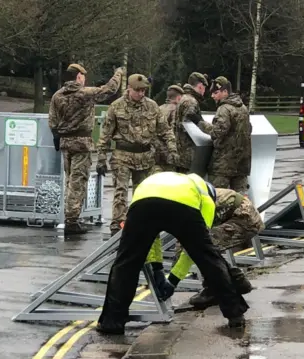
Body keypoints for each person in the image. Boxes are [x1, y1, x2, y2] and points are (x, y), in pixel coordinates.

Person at [96, 172, 249, 335]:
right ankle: (235, 315)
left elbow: (151, 237)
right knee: (209, 259)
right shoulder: (206, 198)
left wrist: (158, 269)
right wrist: (174, 279)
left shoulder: (172, 179)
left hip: (142, 201)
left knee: (126, 263)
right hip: (182, 206)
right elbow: (194, 251)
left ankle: (112, 322)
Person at [96, 74, 178, 237]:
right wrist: (101, 158)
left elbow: (165, 130)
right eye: (138, 90)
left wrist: (172, 149)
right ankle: (117, 226)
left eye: (144, 91)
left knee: (142, 194)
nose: (141, 94)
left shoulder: (152, 106)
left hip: (145, 156)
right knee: (121, 191)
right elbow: (105, 134)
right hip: (122, 155)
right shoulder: (116, 107)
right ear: (129, 89)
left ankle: (139, 224)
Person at [157, 187, 264, 309]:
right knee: (200, 246)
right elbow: (181, 242)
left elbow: (193, 245)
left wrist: (172, 281)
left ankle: (225, 286)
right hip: (236, 215)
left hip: (245, 219)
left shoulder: (188, 207)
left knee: (203, 247)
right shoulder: (176, 202)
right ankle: (235, 281)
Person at [49, 64, 124, 235]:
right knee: (78, 181)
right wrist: (118, 73)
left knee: (69, 180)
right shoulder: (85, 93)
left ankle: (70, 216)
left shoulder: (57, 96)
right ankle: (72, 220)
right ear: (79, 77)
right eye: (83, 75)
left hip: (65, 142)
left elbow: (52, 121)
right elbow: (110, 89)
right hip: (82, 143)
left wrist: (57, 136)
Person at [189, 76, 252, 193]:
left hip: (223, 166)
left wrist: (199, 122)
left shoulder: (224, 109)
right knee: (241, 200)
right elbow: (249, 129)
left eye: (216, 93)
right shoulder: (243, 108)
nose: (212, 96)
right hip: (242, 164)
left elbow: (217, 132)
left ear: (225, 92)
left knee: (219, 197)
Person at [173, 72, 208, 173]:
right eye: (204, 88)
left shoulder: (184, 98)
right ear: (201, 86)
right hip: (187, 152)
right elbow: (189, 126)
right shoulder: (191, 101)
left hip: (181, 150)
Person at [154, 84, 184, 172]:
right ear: (178, 98)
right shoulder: (176, 110)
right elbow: (174, 131)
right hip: (169, 152)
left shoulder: (158, 108)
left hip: (156, 151)